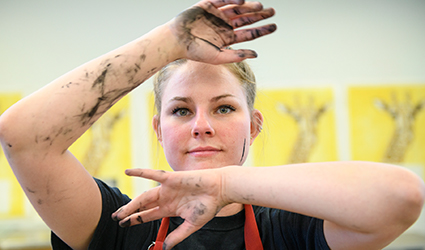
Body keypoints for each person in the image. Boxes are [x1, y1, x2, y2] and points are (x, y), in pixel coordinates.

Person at [0, 0, 424, 249]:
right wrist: (166, 44)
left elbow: (402, 197)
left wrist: (224, 186)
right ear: (158, 129)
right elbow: (23, 137)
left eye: (223, 108)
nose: (202, 125)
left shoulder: (291, 229)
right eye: (181, 110)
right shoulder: (117, 224)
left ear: (253, 126)